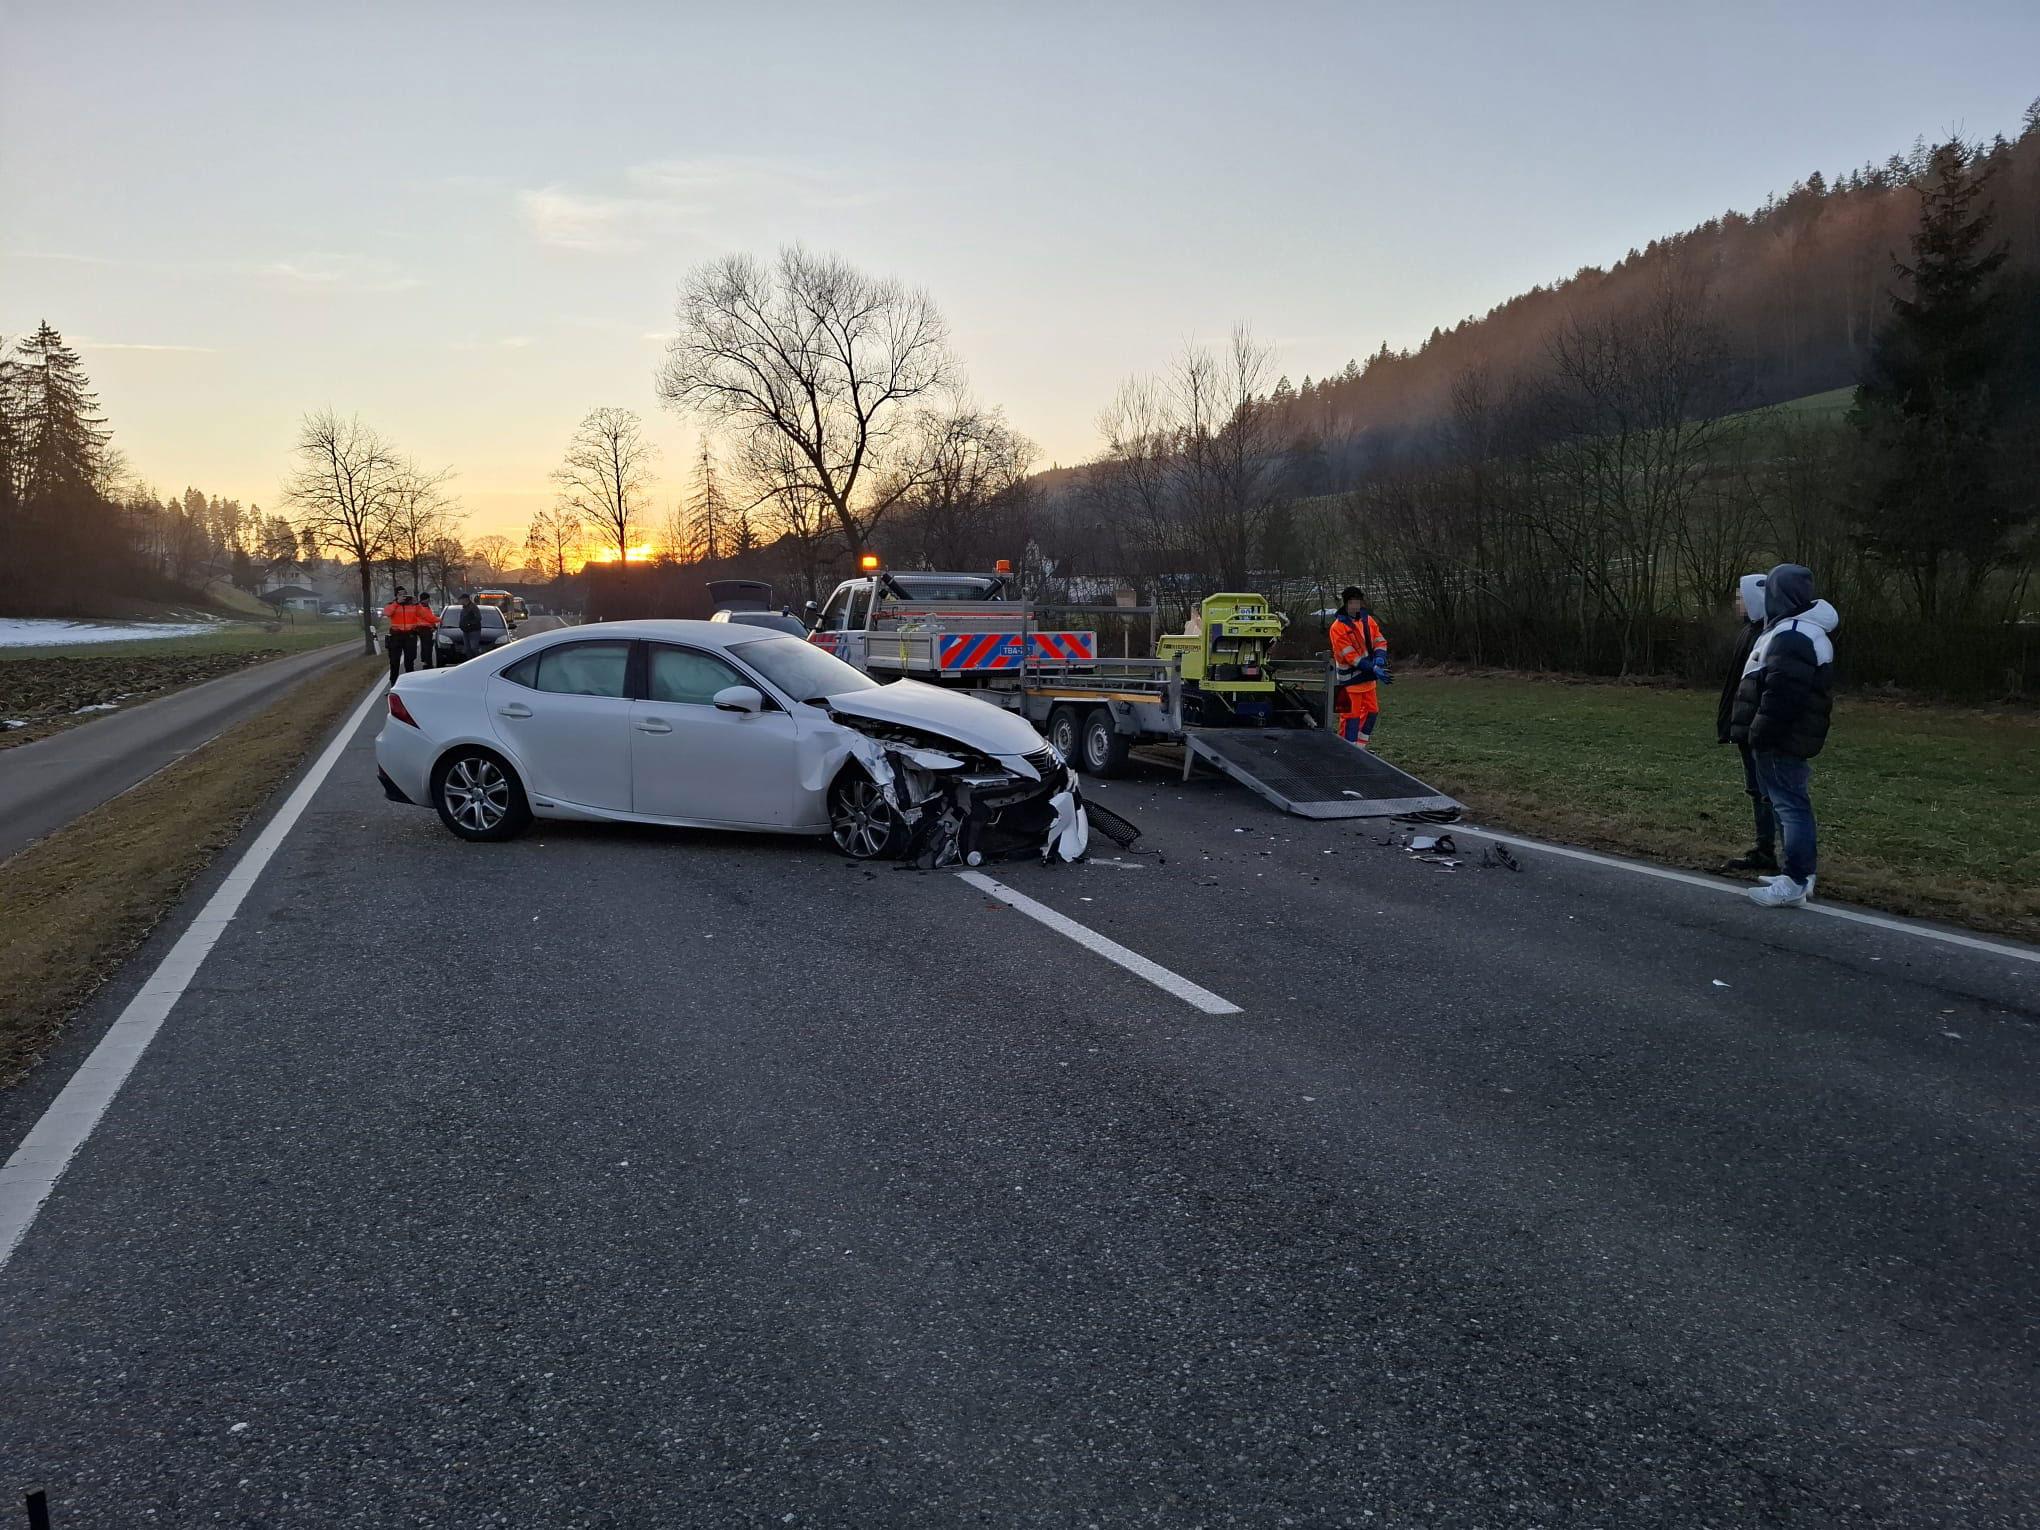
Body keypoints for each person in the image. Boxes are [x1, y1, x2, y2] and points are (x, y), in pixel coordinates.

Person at [1728, 563, 1839, 908]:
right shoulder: (1798, 630)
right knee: (1789, 804)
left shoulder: (1793, 634)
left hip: (1781, 739)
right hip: (1786, 736)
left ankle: (1795, 880)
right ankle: (1798, 873)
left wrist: (1760, 733)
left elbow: (1782, 694)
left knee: (1791, 807)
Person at [1715, 573, 1776, 873]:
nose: (1738, 603)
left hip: (1755, 727)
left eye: (1741, 597)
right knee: (1756, 789)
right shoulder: (1749, 632)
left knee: (1766, 791)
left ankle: (1773, 852)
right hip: (1745, 724)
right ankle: (1764, 848)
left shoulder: (1764, 636)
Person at [1328, 586, 1389, 748]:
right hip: (1347, 682)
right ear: (1346, 603)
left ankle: (1360, 749)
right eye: (1352, 603)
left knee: (1372, 713)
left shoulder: (1367, 620)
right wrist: (1373, 667)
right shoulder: (1337, 627)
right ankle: (1347, 751)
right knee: (1349, 719)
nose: (1355, 606)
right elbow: (1351, 657)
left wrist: (1380, 658)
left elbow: (1379, 641)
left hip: (1367, 679)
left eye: (1357, 602)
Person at [381, 586, 413, 687]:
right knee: (394, 662)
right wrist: (397, 603)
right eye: (400, 594)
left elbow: (421, 615)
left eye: (404, 593)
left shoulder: (411, 605)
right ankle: (394, 685)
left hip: (409, 636)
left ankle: (410, 684)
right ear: (396, 595)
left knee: (409, 661)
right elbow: (387, 613)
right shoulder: (391, 605)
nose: (403, 596)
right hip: (396, 636)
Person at [412, 589, 438, 669]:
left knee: (425, 646)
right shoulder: (422, 607)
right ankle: (428, 663)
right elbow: (429, 617)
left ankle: (426, 661)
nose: (429, 600)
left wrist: (433, 626)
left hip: (424, 629)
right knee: (428, 646)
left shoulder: (424, 606)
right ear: (425, 599)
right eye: (428, 598)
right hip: (424, 629)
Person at [458, 592, 484, 659]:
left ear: (465, 599)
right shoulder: (464, 608)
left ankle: (478, 661)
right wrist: (461, 625)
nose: (460, 601)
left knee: (474, 647)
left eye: (461, 599)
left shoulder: (473, 607)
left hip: (474, 631)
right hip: (465, 631)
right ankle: (470, 662)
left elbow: (479, 618)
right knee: (467, 649)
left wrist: (469, 624)